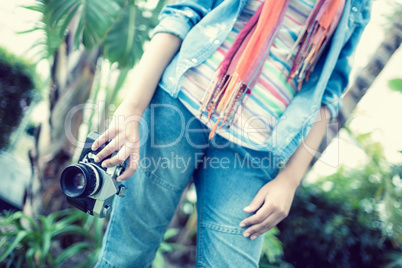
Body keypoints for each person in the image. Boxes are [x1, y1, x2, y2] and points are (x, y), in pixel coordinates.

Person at [93, 0, 371, 266]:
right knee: (125, 257)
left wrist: (290, 180)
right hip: (176, 111)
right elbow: (184, 11)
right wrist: (132, 107)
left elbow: (328, 91)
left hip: (253, 149)